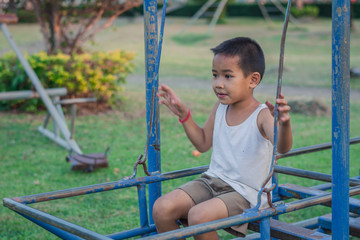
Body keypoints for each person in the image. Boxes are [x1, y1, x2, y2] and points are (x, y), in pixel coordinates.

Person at [152, 37, 293, 239]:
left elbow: (283, 147)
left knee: (199, 217)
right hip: (212, 181)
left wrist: (284, 123)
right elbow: (202, 143)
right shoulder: (220, 107)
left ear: (253, 80)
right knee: (162, 208)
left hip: (246, 193)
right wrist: (184, 115)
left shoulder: (262, 115)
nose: (218, 84)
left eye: (227, 76)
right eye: (215, 75)